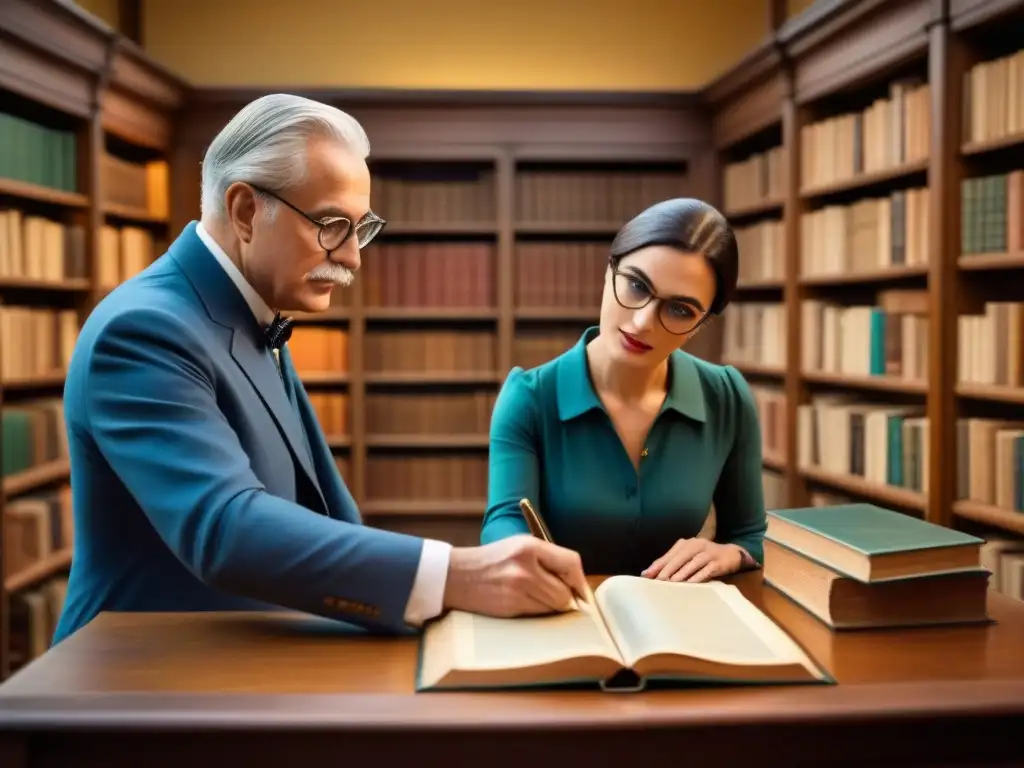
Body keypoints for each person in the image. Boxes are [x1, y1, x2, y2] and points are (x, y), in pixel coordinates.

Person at [52, 94, 586, 644]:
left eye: (362, 228)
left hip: (239, 663)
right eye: (331, 225)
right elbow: (224, 528)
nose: (353, 256)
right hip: (133, 687)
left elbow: (324, 510)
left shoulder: (250, 311)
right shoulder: (143, 330)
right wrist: (455, 575)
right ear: (244, 211)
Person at [480, 198, 766, 582]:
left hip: (680, 626)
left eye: (680, 310)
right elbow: (503, 524)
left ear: (700, 324)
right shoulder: (529, 398)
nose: (643, 320)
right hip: (564, 619)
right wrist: (519, 557)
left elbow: (748, 536)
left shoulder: (727, 397)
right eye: (636, 285)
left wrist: (728, 553)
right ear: (608, 271)